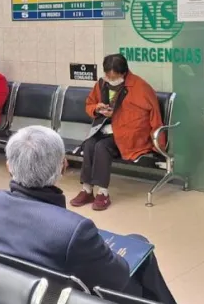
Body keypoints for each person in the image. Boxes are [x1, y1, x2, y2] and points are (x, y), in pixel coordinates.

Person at [0, 126, 176, 304]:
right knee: (141, 248)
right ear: (63, 166)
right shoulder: (74, 229)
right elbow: (118, 278)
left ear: (8, 167)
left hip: (17, 297)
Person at [70, 54, 165, 211]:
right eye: (108, 75)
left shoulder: (141, 87)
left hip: (132, 135)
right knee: (90, 143)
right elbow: (89, 104)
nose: (110, 79)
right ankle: (86, 189)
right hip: (109, 129)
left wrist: (159, 145)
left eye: (114, 76)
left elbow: (154, 117)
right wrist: (97, 108)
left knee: (102, 146)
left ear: (124, 73)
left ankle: (103, 193)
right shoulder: (102, 84)